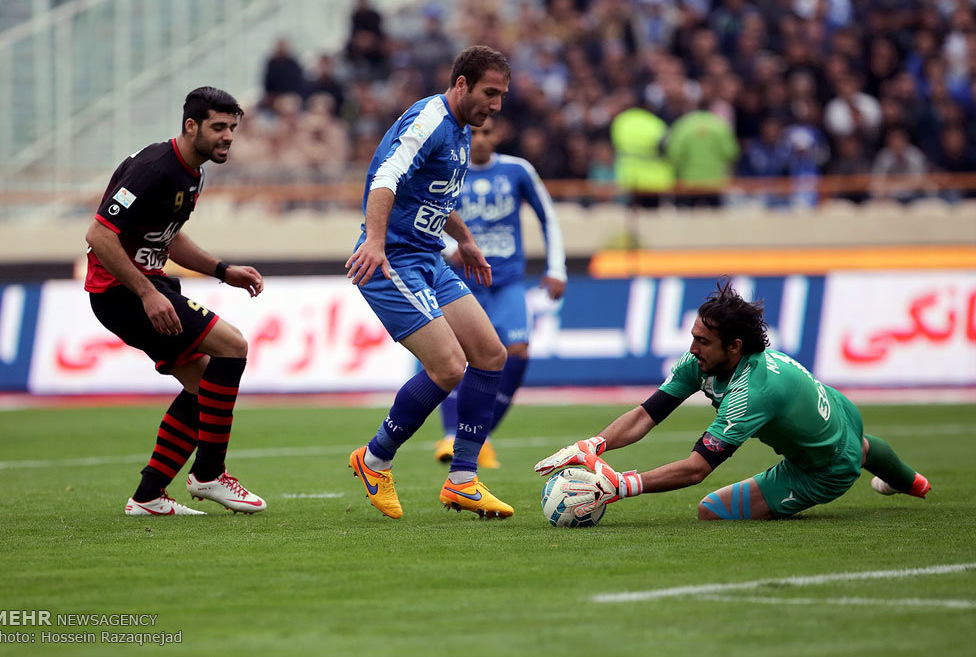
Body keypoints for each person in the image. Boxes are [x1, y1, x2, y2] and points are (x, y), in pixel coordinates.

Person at [534, 280, 930, 521]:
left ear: (735, 347)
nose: (692, 348)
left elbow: (695, 469)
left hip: (823, 467)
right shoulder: (703, 361)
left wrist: (621, 485)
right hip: (841, 412)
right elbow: (645, 415)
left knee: (712, 510)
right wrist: (593, 445)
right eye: (692, 336)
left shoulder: (750, 392)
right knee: (858, 444)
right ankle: (913, 482)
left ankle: (880, 471)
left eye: (702, 341)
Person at [346, 45, 513, 519]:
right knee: (448, 366)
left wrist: (465, 240)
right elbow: (386, 177)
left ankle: (462, 479)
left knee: (490, 354)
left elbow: (435, 194)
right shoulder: (429, 122)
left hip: (429, 258)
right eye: (490, 93)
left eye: (501, 95)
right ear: (461, 84)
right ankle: (374, 459)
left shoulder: (459, 130)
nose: (496, 105)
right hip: (391, 260)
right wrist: (375, 242)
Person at [85, 87, 266, 516]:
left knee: (204, 386)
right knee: (233, 345)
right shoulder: (153, 167)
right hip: (122, 293)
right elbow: (99, 235)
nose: (227, 137)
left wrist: (222, 270)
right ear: (191, 126)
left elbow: (170, 236)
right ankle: (208, 474)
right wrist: (147, 293)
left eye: (232, 129)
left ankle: (148, 497)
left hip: (148, 285)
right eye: (218, 127)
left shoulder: (193, 173)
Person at [433, 116, 568, 469]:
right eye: (473, 132)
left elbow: (547, 217)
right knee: (455, 355)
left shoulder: (517, 170)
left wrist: (556, 268)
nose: (479, 139)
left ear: (499, 134)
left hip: (506, 281)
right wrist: (450, 249)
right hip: (459, 283)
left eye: (487, 132)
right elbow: (425, 218)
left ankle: (481, 435)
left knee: (517, 351)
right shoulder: (448, 170)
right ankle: (452, 436)